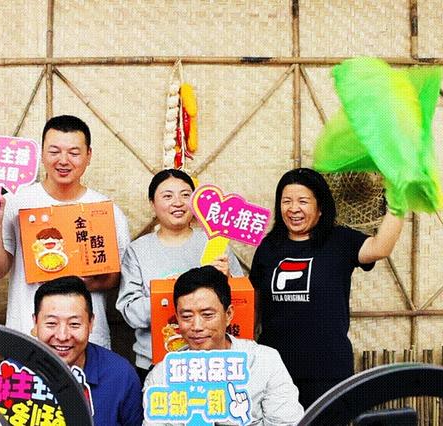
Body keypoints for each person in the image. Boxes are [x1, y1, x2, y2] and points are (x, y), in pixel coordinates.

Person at [249, 167, 404, 409]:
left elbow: (380, 247)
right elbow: (255, 306)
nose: (293, 208)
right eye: (286, 201)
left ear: (320, 207)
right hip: (275, 370)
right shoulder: (268, 247)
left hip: (327, 370)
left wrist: (399, 202)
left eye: (303, 201)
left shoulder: (340, 241)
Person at [0, 115, 130, 348]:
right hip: (27, 335)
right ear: (42, 154)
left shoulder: (107, 211)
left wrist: (87, 283)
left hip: (87, 340)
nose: (63, 160)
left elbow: (116, 278)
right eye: (54, 151)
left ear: (89, 156)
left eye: (74, 153)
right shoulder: (15, 202)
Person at [117, 169, 243, 382]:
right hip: (155, 362)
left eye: (185, 195)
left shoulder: (214, 243)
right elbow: (131, 313)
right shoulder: (138, 250)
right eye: (167, 196)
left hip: (214, 362)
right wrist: (171, 292)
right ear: (152, 203)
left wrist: (227, 280)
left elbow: (241, 304)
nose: (178, 203)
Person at [143, 266, 304, 425]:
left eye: (207, 315)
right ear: (177, 318)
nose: (197, 326)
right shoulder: (161, 375)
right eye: (186, 316)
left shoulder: (264, 362)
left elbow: (286, 423)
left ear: (228, 315)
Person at [33, 275, 143, 426]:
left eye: (74, 324)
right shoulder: (15, 373)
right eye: (51, 323)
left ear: (91, 323)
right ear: (35, 322)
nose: (62, 336)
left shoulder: (121, 374)